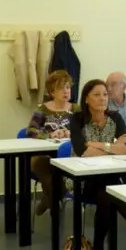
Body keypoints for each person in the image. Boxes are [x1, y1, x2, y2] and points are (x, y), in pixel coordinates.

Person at [69, 79, 126, 250]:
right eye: (97, 94)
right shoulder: (77, 120)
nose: (102, 98)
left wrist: (99, 145)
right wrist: (114, 147)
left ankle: (100, 247)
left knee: (107, 193)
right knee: (110, 192)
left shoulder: (115, 118)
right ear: (86, 99)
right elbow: (83, 151)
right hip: (82, 180)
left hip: (108, 177)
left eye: (105, 94)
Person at [27, 70, 80, 216]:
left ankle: (48, 200)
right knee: (46, 169)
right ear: (52, 92)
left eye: (68, 87)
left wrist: (72, 133)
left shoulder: (76, 109)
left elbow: (86, 130)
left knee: (59, 173)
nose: (66, 91)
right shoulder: (42, 109)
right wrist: (49, 134)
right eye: (61, 88)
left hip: (68, 155)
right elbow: (31, 131)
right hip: (43, 155)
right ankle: (54, 206)